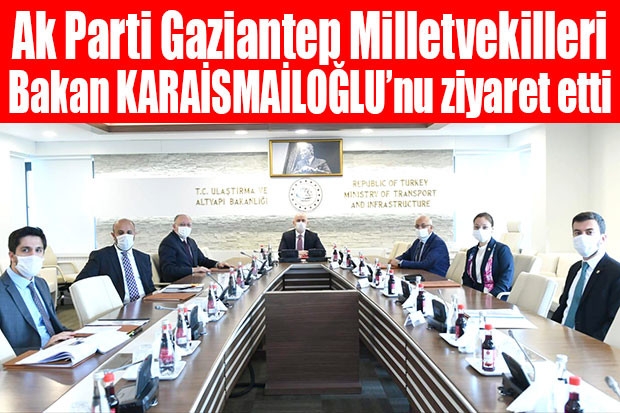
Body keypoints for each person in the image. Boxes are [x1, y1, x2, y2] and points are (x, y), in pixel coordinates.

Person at [0, 226, 75, 355]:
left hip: (58, 351)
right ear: (12, 256)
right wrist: (42, 349)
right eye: (25, 250)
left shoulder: (41, 284)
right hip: (27, 360)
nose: (33, 255)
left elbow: (53, 326)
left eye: (38, 250)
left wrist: (78, 336)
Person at [551, 211, 620, 341]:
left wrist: (589, 346)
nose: (582, 238)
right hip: (560, 337)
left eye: (589, 232)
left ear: (603, 238)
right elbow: (564, 306)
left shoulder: (616, 273)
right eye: (577, 233)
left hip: (588, 344)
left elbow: (613, 323)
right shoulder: (575, 268)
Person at [75, 218, 155, 303]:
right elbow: (80, 282)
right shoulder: (100, 257)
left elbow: (149, 287)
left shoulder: (144, 258)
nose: (125, 236)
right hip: (118, 305)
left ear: (135, 234)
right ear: (113, 235)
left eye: (129, 232)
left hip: (145, 302)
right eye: (120, 233)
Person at [158, 214, 230, 282]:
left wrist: (217, 264)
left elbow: (202, 260)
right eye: (182, 225)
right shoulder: (168, 243)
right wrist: (194, 270)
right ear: (174, 226)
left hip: (193, 281)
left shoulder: (191, 241)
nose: (186, 227)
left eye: (188, 225)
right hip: (177, 283)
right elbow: (168, 270)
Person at [462, 212, 514, 297]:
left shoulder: (502, 250)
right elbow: (467, 278)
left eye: (485, 227)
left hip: (496, 297)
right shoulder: (471, 252)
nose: (480, 230)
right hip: (476, 296)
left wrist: (489, 296)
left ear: (492, 229)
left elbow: (505, 281)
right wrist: (467, 295)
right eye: (477, 227)